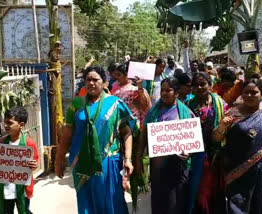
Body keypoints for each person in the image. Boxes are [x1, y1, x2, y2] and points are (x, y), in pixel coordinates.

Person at [55, 66, 136, 214]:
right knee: (87, 203)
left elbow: (127, 133)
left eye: (95, 79)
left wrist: (128, 159)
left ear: (104, 83)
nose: (91, 83)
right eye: (88, 80)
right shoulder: (76, 105)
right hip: (81, 164)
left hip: (108, 163)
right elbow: (67, 135)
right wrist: (59, 159)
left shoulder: (115, 104)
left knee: (112, 202)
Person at [213, 78, 262, 214]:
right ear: (241, 94)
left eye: (254, 92)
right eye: (246, 92)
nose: (250, 95)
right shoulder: (232, 114)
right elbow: (216, 138)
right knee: (237, 207)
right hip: (237, 172)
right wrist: (222, 126)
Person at [136, 78, 195, 214]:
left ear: (177, 93)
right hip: (158, 168)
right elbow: (144, 136)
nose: (164, 93)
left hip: (178, 168)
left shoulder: (185, 113)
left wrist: (188, 153)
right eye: (162, 90)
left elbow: (193, 139)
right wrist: (138, 158)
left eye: (168, 90)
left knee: (176, 203)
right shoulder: (153, 113)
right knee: (159, 202)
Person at [186, 72, 227, 214]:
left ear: (210, 85)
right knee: (196, 189)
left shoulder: (221, 104)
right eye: (195, 85)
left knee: (213, 190)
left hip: (214, 156)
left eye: (203, 84)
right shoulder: (187, 105)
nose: (199, 87)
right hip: (194, 156)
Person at [0, 106, 38, 214]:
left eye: (9, 123)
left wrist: (33, 165)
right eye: (5, 122)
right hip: (6, 189)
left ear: (21, 125)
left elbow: (35, 162)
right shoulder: (1, 143)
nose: (5, 126)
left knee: (24, 210)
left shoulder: (29, 144)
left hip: (23, 190)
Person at [111, 64, 151, 129]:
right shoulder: (114, 86)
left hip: (133, 122)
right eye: (116, 75)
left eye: (119, 75)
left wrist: (140, 87)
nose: (117, 77)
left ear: (127, 75)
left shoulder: (135, 88)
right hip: (118, 122)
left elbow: (145, 104)